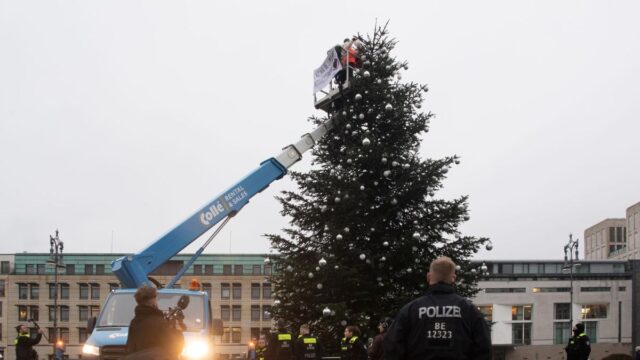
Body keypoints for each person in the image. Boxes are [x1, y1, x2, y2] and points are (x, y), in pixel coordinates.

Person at [383, 256, 492, 360]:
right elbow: (484, 348)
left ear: (428, 277)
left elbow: (393, 347)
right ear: (453, 278)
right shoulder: (469, 310)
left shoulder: (410, 310)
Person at [125, 286, 184, 360]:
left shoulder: (134, 322)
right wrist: (177, 329)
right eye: (155, 298)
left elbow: (130, 349)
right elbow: (176, 347)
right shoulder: (160, 322)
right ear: (152, 300)